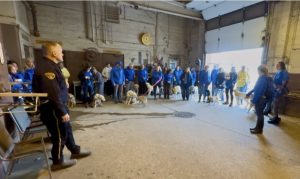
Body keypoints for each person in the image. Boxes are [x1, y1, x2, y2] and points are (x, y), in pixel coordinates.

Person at [32, 42, 91, 171]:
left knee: (67, 129)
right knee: (59, 134)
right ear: (53, 53)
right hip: (53, 108)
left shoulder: (51, 65)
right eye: (60, 51)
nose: (62, 53)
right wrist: (62, 111)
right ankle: (57, 161)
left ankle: (74, 150)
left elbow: (56, 88)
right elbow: (52, 93)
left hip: (57, 105)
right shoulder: (47, 67)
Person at [247, 65, 272, 134]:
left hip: (261, 99)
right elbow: (256, 88)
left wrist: (253, 101)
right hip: (263, 98)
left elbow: (259, 91)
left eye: (258, 70)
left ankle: (259, 130)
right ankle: (257, 127)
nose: (257, 72)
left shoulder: (262, 79)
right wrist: (249, 93)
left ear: (260, 71)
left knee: (260, 114)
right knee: (259, 114)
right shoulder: (266, 78)